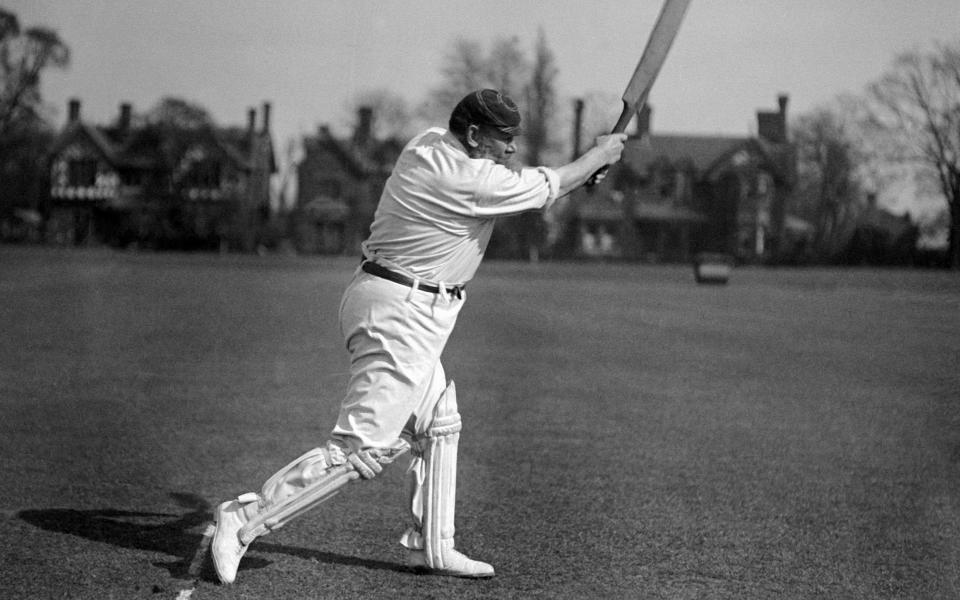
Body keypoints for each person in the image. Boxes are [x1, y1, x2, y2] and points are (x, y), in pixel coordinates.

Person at [211, 89, 626, 584]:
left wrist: (580, 173)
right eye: (503, 139)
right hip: (401, 311)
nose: (511, 149)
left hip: (398, 301)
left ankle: (432, 546)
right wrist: (599, 156)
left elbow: (545, 184)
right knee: (360, 451)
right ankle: (245, 519)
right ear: (473, 135)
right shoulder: (464, 177)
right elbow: (546, 186)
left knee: (438, 421)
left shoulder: (427, 143)